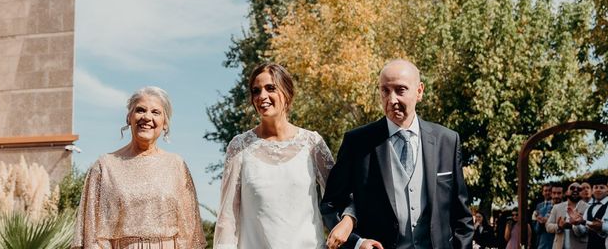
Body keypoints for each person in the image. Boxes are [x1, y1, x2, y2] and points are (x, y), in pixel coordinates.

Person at [320, 59, 474, 249]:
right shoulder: (357, 143)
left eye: (400, 90)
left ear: (419, 91)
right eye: (385, 91)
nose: (391, 100)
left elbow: (462, 218)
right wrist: (357, 242)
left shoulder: (447, 141)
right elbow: (330, 204)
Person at [213, 62, 336, 249]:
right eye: (256, 91)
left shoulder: (312, 144)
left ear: (287, 92)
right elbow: (227, 218)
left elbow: (339, 199)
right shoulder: (239, 147)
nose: (262, 96)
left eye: (270, 88)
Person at [72, 86, 205, 249]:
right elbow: (92, 233)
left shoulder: (177, 165)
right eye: (140, 110)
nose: (147, 117)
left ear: (165, 123)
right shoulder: (105, 166)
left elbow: (190, 232)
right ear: (129, 117)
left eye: (156, 112)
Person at [546, 182, 588, 249]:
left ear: (582, 193)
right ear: (566, 192)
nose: (575, 190)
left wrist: (575, 225)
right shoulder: (557, 207)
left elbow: (588, 229)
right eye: (572, 188)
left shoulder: (588, 208)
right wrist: (559, 226)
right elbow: (548, 226)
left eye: (579, 189)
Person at [570, 178, 608, 249]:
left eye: (602, 187)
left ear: (607, 190)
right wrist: (577, 223)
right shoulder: (589, 208)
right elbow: (581, 232)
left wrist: (602, 226)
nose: (598, 190)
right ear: (593, 191)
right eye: (596, 187)